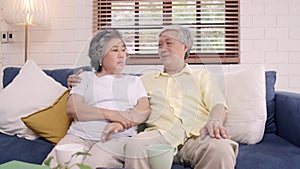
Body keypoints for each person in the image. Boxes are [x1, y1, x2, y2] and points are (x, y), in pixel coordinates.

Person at [68, 25, 239, 169]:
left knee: (221, 148)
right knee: (135, 145)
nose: (162, 48)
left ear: (185, 47)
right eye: (159, 44)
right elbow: (123, 98)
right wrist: (81, 80)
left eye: (168, 43)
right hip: (158, 136)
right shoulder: (144, 80)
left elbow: (218, 104)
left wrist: (214, 121)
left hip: (196, 136)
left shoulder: (202, 76)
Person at [45, 29, 151, 169]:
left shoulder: (134, 81)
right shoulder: (84, 78)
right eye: (115, 50)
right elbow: (73, 109)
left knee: (93, 165)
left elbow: (143, 110)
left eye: (123, 50)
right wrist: (113, 114)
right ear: (100, 56)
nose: (121, 55)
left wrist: (120, 123)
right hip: (79, 136)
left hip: (116, 138)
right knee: (55, 164)